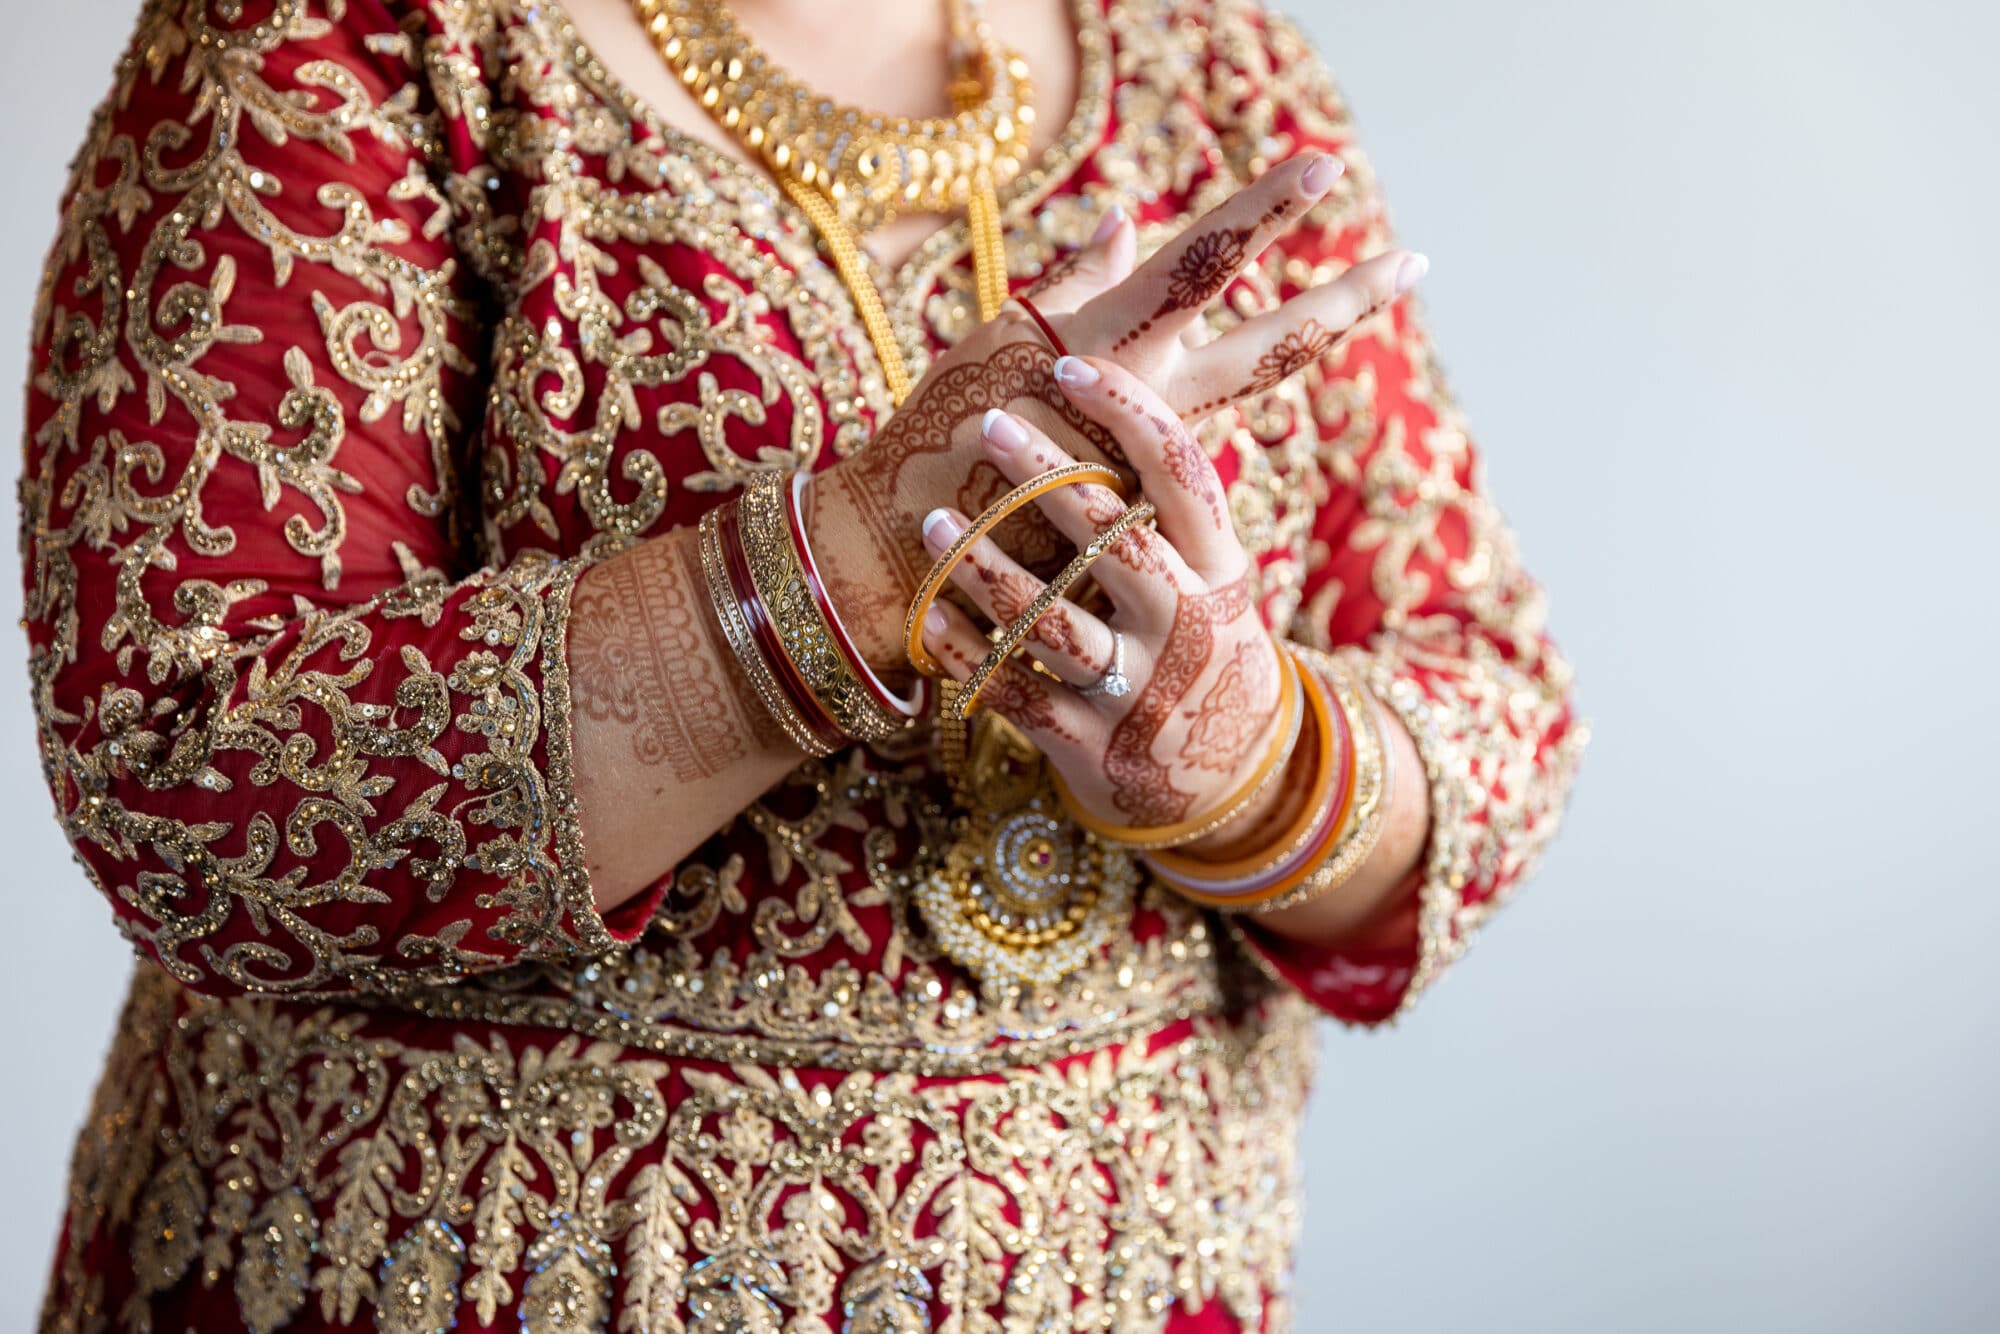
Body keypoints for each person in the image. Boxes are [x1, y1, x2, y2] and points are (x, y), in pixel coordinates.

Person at [22, 0, 1584, 1327]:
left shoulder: (1213, 63)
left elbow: (1493, 702)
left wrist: (1251, 762)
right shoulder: (350, 37)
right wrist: (849, 566)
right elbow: (189, 765)